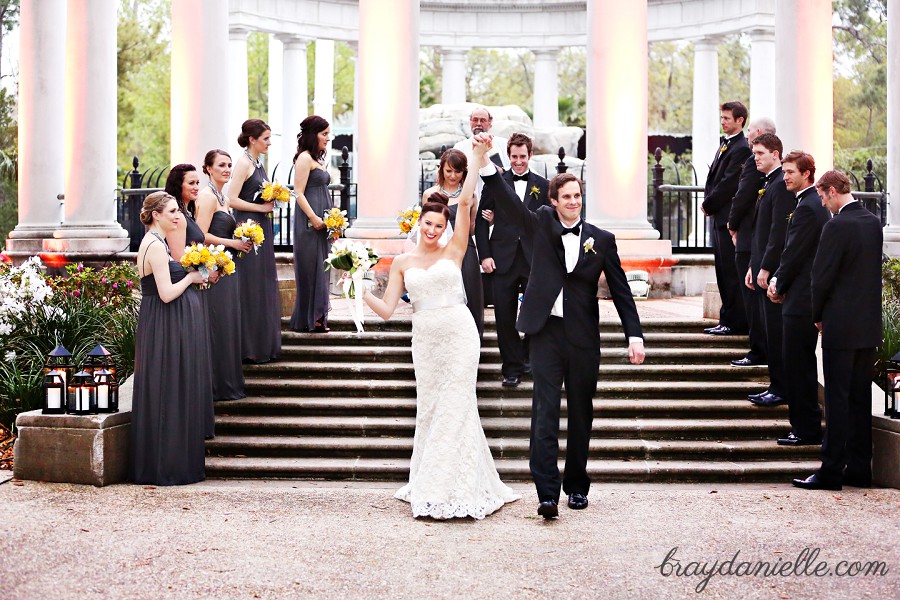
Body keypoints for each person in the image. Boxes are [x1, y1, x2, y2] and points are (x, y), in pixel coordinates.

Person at [476, 132, 644, 520]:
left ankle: (577, 486)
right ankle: (547, 493)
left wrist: (633, 334)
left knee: (581, 412)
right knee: (545, 412)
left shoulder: (602, 240)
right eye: (566, 196)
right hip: (546, 333)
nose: (573, 201)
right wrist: (485, 163)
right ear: (553, 202)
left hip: (584, 338)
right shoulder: (541, 228)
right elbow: (506, 201)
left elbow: (621, 291)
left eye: (577, 196)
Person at [362, 137, 519, 520]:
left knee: (456, 402)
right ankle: (433, 477)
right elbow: (385, 310)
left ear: (445, 227)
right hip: (426, 340)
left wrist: (479, 158)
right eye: (428, 223)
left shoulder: (455, 251)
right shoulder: (401, 262)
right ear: (418, 223)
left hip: (460, 333)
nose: (433, 229)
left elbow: (464, 203)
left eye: (439, 225)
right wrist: (359, 290)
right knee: (432, 408)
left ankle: (450, 485)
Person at [793, 171, 881, 491]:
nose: (822, 202)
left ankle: (830, 471)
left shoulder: (836, 225)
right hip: (868, 327)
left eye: (821, 196)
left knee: (837, 400)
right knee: (860, 399)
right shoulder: (872, 223)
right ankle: (859, 469)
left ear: (831, 191)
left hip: (840, 327)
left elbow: (822, 277)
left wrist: (817, 316)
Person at [130, 192, 208, 485]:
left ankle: (173, 462)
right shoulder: (153, 245)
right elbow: (165, 294)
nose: (178, 216)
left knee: (173, 388)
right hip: (164, 325)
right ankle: (166, 466)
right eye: (173, 211)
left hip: (168, 323)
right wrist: (191, 278)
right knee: (167, 388)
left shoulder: (157, 242)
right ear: (156, 215)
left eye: (178, 211)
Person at [474, 132, 550, 387]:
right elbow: (480, 223)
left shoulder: (543, 184)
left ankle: (527, 359)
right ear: (508, 156)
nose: (518, 161)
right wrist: (484, 254)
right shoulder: (496, 182)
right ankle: (511, 369)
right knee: (505, 317)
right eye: (514, 157)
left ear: (530, 156)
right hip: (501, 259)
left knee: (535, 311)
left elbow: (548, 223)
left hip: (533, 259)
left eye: (523, 157)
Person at [766, 151, 829, 446]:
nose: (785, 177)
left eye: (790, 171)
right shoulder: (808, 203)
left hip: (801, 299)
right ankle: (805, 426)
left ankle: (805, 428)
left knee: (798, 365)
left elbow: (795, 252)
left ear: (807, 174)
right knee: (798, 364)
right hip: (803, 296)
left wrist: (778, 283)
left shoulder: (807, 207)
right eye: (784, 172)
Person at [195, 149, 252, 401]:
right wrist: (232, 244)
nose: (227, 169)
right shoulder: (207, 197)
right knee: (217, 323)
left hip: (229, 267)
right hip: (215, 269)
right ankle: (215, 385)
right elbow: (200, 235)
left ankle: (228, 382)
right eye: (221, 165)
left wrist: (243, 238)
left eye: (229, 165)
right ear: (208, 168)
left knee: (229, 323)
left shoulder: (224, 199)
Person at [164, 164, 215, 438]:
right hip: (184, 289)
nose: (197, 187)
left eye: (198, 182)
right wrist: (201, 272)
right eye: (191, 183)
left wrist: (208, 268)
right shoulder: (176, 216)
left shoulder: (188, 211)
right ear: (179, 184)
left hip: (196, 285)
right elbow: (177, 258)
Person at [744, 133, 793, 408]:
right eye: (754, 153)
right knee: (768, 330)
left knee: (775, 332)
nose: (755, 158)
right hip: (761, 266)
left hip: (773, 272)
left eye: (760, 153)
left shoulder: (780, 185)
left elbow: (778, 232)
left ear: (775, 154)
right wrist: (754, 265)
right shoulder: (770, 183)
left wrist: (765, 267)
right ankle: (775, 384)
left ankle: (780, 387)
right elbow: (760, 232)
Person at [229, 119, 281, 363]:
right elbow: (231, 199)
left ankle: (262, 344)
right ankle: (249, 347)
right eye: (266, 139)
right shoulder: (242, 163)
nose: (269, 143)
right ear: (252, 139)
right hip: (249, 227)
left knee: (262, 284)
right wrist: (261, 208)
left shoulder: (257, 161)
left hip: (262, 225)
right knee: (250, 285)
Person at [727, 117, 776, 367]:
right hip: (753, 244)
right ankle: (758, 348)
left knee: (754, 304)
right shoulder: (767, 174)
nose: (754, 156)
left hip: (750, 242)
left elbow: (742, 195)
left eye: (759, 152)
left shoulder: (763, 172)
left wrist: (731, 224)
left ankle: (758, 350)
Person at [421, 149, 483, 336]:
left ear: (464, 172)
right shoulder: (429, 194)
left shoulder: (470, 196)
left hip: (465, 251)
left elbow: (472, 228)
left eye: (457, 171)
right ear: (442, 170)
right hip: (438, 252)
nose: (453, 176)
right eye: (449, 171)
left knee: (470, 296)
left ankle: (471, 341)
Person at [702, 101, 751, 336]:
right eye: (721, 118)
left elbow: (729, 182)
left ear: (740, 120)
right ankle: (726, 317)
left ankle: (733, 321)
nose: (723, 122)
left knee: (730, 273)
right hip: (718, 217)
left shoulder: (741, 147)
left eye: (727, 118)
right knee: (722, 271)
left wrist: (708, 204)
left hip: (727, 218)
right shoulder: (726, 145)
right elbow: (714, 178)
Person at [290, 115, 333, 333]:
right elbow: (298, 192)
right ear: (312, 135)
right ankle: (309, 317)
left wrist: (334, 222)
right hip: (309, 222)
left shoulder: (320, 159)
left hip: (324, 222)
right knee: (311, 267)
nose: (328, 137)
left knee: (322, 266)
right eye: (324, 133)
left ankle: (319, 316)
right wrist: (313, 217)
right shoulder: (304, 158)